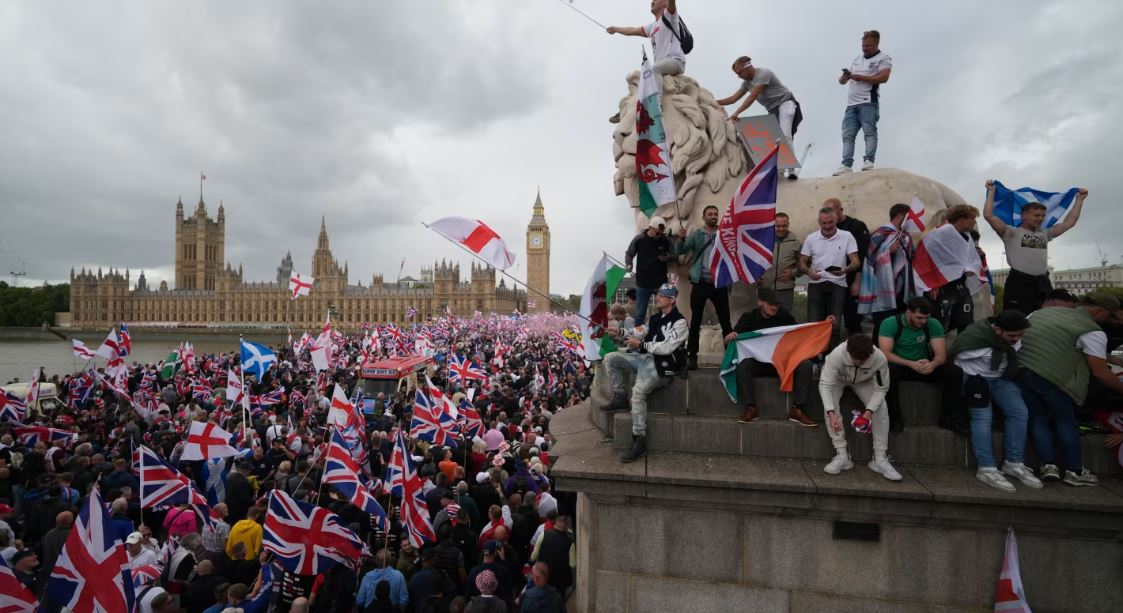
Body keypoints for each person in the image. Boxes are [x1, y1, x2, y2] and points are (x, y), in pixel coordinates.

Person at [1019, 293, 1123, 486]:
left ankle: (1048, 465)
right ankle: (1074, 471)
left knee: (1038, 418)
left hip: (1023, 371)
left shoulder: (1039, 314)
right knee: (1065, 420)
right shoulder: (1092, 330)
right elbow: (1100, 372)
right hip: (1053, 378)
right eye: (1109, 316)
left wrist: (1111, 357)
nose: (1109, 321)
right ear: (1100, 312)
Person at [949, 310, 1043, 492]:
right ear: (997, 330)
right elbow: (955, 357)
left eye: (1020, 335)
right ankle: (986, 467)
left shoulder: (1011, 340)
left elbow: (1011, 354)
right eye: (1012, 335)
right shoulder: (974, 340)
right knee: (983, 418)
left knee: (1020, 412)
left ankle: (1014, 462)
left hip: (1000, 380)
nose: (1016, 339)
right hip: (975, 379)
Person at [603, 283, 689, 463]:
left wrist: (641, 345)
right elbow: (638, 332)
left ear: (672, 300)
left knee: (638, 392)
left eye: (662, 295)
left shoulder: (680, 322)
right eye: (658, 294)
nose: (657, 298)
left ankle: (639, 439)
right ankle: (619, 397)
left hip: (661, 366)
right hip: (645, 359)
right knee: (610, 358)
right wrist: (619, 331)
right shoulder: (655, 318)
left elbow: (667, 347)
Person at [983, 180, 1088, 314]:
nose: (1040, 218)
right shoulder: (1011, 232)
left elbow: (1069, 223)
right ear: (1023, 216)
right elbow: (989, 216)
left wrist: (1079, 200)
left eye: (1043, 216)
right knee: (1017, 320)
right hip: (1019, 283)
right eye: (1036, 215)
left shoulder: (1045, 233)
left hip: (1042, 283)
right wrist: (991, 191)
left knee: (1046, 317)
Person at [725, 288, 818, 426]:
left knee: (806, 365)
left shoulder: (785, 316)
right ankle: (751, 408)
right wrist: (729, 338)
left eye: (777, 304)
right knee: (742, 366)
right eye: (771, 304)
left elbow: (799, 335)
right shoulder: (748, 318)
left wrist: (824, 325)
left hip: (782, 362)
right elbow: (734, 343)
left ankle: (797, 409)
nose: (775, 307)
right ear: (760, 302)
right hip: (759, 364)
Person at [819, 334, 901, 481]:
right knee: (829, 406)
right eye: (854, 358)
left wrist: (868, 412)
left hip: (864, 381)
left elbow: (882, 389)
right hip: (839, 379)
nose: (857, 362)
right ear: (848, 351)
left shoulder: (880, 358)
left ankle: (879, 458)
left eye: (861, 360)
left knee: (881, 408)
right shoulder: (837, 354)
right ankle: (842, 455)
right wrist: (831, 414)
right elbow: (825, 385)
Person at [877, 297, 959, 433]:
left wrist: (933, 364)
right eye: (919, 317)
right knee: (885, 371)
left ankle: (948, 418)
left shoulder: (933, 324)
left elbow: (941, 355)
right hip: (901, 365)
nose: (923, 321)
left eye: (926, 318)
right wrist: (910, 363)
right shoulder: (890, 323)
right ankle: (894, 419)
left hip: (924, 366)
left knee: (954, 372)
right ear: (909, 312)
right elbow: (885, 353)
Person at [718, 57, 803, 176]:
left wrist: (737, 113)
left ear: (747, 67)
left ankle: (792, 169)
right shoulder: (746, 83)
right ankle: (780, 170)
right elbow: (733, 99)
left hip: (785, 104)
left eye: (739, 72)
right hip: (773, 110)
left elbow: (752, 97)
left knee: (784, 135)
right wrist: (712, 102)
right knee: (773, 141)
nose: (738, 76)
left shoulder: (764, 73)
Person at [606, 0, 686, 123]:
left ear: (665, 3)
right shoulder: (652, 26)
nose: (652, 1)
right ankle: (628, 109)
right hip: (662, 65)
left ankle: (656, 106)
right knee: (644, 78)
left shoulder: (669, 16)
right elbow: (632, 31)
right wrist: (616, 29)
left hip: (676, 61)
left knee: (653, 70)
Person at [674, 205, 733, 369]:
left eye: (715, 214)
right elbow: (681, 250)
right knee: (695, 321)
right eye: (710, 214)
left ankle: (731, 355)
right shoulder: (697, 235)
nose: (713, 216)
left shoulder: (724, 234)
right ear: (704, 217)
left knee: (725, 321)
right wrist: (681, 239)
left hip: (718, 283)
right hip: (700, 282)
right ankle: (692, 356)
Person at [799, 207, 859, 350]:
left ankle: (831, 358)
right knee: (814, 323)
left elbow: (856, 262)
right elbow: (801, 263)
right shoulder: (811, 238)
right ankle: (815, 357)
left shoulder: (847, 236)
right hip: (816, 282)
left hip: (838, 283)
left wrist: (845, 270)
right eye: (823, 223)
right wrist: (808, 271)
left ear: (836, 220)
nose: (826, 226)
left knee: (835, 324)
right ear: (819, 222)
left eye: (830, 222)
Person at [833, 30, 892, 175]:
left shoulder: (884, 58)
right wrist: (845, 77)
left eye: (868, 46)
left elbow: (884, 77)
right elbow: (842, 82)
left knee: (869, 132)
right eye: (863, 45)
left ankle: (869, 160)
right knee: (847, 135)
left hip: (868, 102)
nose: (864, 48)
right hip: (851, 104)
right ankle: (846, 164)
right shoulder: (857, 59)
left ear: (877, 43)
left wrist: (862, 78)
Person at [916, 204, 982, 333]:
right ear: (962, 219)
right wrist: (931, 284)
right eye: (972, 218)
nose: (974, 222)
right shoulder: (937, 234)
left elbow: (971, 259)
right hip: (943, 287)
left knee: (966, 322)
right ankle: (936, 351)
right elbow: (923, 258)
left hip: (961, 285)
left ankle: (964, 352)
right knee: (941, 324)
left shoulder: (967, 237)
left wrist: (971, 268)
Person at [858, 203, 918, 329]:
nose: (910, 220)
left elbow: (912, 256)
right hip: (882, 288)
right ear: (900, 216)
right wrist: (887, 252)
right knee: (882, 324)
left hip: (902, 287)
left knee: (900, 323)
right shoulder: (880, 233)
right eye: (908, 217)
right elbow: (869, 259)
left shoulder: (905, 236)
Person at [827, 198, 870, 336]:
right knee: (831, 319)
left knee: (853, 319)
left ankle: (858, 350)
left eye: (832, 211)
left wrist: (857, 281)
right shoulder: (827, 228)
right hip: (832, 281)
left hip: (851, 279)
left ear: (840, 210)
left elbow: (862, 256)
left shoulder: (856, 226)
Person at [624, 216, 676, 326]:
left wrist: (667, 257)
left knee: (664, 311)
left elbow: (675, 255)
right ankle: (638, 339)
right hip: (643, 283)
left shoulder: (665, 240)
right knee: (640, 314)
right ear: (650, 228)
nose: (659, 236)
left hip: (661, 283)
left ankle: (664, 335)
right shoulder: (639, 239)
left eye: (661, 233)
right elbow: (629, 253)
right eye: (657, 233)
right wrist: (629, 264)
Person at [757, 212, 801, 313]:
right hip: (766, 287)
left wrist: (793, 273)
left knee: (784, 318)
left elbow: (803, 264)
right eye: (778, 226)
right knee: (765, 319)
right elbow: (755, 260)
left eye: (784, 226)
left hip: (785, 288)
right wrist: (757, 276)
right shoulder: (763, 241)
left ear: (788, 225)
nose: (781, 229)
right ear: (773, 225)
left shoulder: (796, 243)